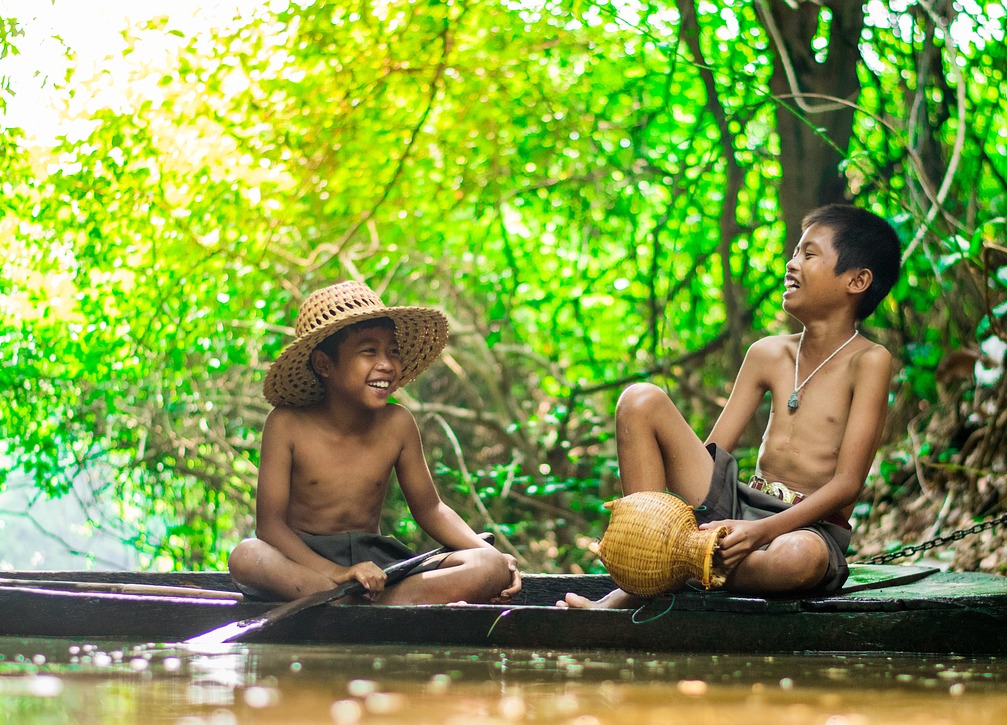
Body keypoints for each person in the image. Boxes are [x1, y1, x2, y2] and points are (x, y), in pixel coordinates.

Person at [562, 204, 901, 608]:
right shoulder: (767, 353)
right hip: (738, 505)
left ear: (857, 280)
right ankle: (647, 571)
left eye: (809, 254)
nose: (791, 264)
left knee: (799, 560)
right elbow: (713, 454)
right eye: (794, 252)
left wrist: (759, 533)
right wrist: (691, 519)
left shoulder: (869, 361)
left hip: (805, 528)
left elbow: (847, 484)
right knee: (639, 399)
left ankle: (677, 568)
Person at [228, 280, 520, 605]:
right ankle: (350, 598)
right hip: (307, 565)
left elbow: (431, 509)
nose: (386, 364)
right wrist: (337, 574)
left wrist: (490, 554)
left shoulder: (398, 423)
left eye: (392, 351)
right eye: (369, 351)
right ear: (325, 364)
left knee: (489, 565)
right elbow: (270, 528)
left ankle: (363, 603)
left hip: (379, 567)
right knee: (246, 555)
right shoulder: (286, 424)